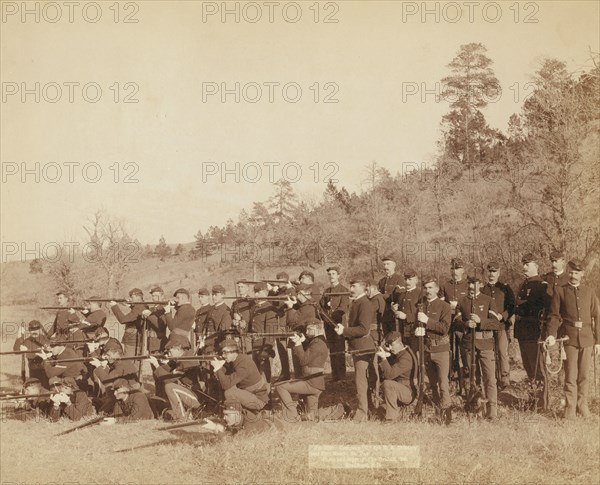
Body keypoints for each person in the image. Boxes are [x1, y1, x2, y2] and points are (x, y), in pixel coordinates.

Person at [545, 259, 600, 419]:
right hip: (569, 339)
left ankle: (583, 408)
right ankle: (569, 410)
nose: (573, 275)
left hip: (587, 339)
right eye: (571, 272)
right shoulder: (560, 291)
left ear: (582, 274)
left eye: (577, 272)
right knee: (570, 376)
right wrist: (551, 334)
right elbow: (554, 315)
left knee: (584, 376)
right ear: (568, 272)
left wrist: (598, 342)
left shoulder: (589, 292)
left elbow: (597, 316)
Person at [456, 276, 504, 419]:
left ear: (480, 284)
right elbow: (455, 322)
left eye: (475, 283)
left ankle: (492, 410)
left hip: (485, 344)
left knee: (489, 378)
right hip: (468, 344)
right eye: (470, 283)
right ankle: (473, 407)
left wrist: (480, 321)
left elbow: (496, 324)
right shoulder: (462, 301)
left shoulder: (488, 300)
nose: (472, 286)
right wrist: (465, 324)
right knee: (470, 376)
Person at [275, 320, 337, 422]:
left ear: (317, 329)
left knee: (280, 387)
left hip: (311, 383)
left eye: (309, 329)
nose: (306, 332)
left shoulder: (317, 344)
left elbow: (303, 360)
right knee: (311, 416)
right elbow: (311, 354)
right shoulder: (319, 341)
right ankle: (336, 410)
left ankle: (291, 416)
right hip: (316, 383)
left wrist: (298, 344)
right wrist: (303, 341)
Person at [334, 277, 377, 422]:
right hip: (359, 347)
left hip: (363, 348)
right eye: (350, 286)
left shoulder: (364, 303)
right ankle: (368, 410)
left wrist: (345, 331)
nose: (351, 289)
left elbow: (364, 329)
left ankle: (362, 414)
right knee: (362, 381)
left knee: (361, 382)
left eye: (354, 286)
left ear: (363, 288)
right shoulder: (357, 302)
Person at [416, 277, 453, 421]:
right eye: (425, 288)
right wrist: (417, 330)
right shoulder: (421, 306)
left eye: (431, 288)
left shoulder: (444, 306)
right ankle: (438, 411)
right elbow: (417, 324)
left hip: (441, 349)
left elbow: (444, 328)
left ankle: (447, 413)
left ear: (437, 289)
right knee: (433, 384)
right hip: (426, 349)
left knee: (443, 382)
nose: (428, 291)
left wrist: (427, 321)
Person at [150, 335, 207, 421]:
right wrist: (161, 363)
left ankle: (181, 417)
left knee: (169, 387)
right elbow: (163, 372)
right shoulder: (180, 358)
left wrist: (156, 365)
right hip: (187, 393)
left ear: (178, 348)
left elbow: (167, 379)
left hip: (195, 396)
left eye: (170, 350)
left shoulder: (187, 360)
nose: (169, 353)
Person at [211, 339, 269, 419]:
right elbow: (226, 378)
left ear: (233, 352)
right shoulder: (237, 359)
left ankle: (237, 421)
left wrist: (218, 368)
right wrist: (220, 368)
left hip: (258, 400)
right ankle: (242, 414)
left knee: (229, 392)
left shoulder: (243, 364)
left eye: (225, 352)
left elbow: (226, 385)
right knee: (229, 389)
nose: (223, 356)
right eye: (222, 353)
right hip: (249, 394)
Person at [481, 262, 515, 389]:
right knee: (489, 353)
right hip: (488, 328)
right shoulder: (482, 290)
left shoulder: (505, 288)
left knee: (502, 352)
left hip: (501, 326)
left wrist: (503, 316)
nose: (491, 274)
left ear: (499, 273)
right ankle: (492, 378)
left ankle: (505, 380)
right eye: (489, 271)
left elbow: (512, 306)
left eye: (494, 272)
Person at [514, 254, 547, 382]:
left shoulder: (540, 285)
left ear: (536, 266)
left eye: (527, 264)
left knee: (538, 368)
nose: (524, 267)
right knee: (528, 368)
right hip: (523, 331)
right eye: (523, 264)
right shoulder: (524, 284)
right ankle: (533, 398)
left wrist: (521, 304)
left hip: (533, 331)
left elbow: (533, 306)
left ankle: (541, 401)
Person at [441, 258, 469, 390]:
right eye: (452, 268)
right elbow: (441, 303)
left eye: (457, 268)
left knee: (464, 350)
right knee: (450, 350)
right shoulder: (445, 285)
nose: (455, 271)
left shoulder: (468, 284)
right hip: (449, 323)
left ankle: (467, 378)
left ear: (463, 270)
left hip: (462, 324)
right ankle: (451, 376)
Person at [376, 331, 415, 422]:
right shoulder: (402, 352)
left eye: (391, 345)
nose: (389, 348)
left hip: (409, 392)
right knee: (380, 410)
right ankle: (396, 410)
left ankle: (391, 417)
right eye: (387, 345)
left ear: (399, 344)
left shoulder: (405, 358)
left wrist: (384, 358)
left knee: (387, 384)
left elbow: (389, 375)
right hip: (402, 389)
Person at [320, 266, 350, 382]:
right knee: (332, 349)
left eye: (333, 274)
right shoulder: (326, 291)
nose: (331, 276)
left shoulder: (343, 290)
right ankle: (335, 375)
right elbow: (321, 307)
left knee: (340, 349)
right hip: (328, 325)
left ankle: (342, 376)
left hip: (338, 325)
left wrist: (333, 319)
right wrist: (325, 318)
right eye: (329, 274)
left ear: (338, 275)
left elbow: (343, 308)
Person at [110, 288, 148, 357]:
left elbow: (123, 320)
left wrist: (114, 306)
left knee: (129, 362)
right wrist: (131, 306)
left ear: (137, 296)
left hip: (132, 341)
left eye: (132, 297)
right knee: (135, 363)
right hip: (136, 340)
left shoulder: (138, 307)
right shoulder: (143, 305)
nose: (130, 299)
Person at [392, 268, 422, 354]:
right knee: (406, 353)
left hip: (415, 329)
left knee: (415, 354)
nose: (407, 282)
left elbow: (424, 313)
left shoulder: (420, 293)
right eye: (405, 279)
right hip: (403, 330)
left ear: (416, 280)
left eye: (410, 279)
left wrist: (406, 316)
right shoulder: (402, 295)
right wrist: (394, 309)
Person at [13, 320, 50, 387]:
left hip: (45, 371)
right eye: (32, 329)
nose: (34, 332)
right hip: (33, 372)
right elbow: (16, 351)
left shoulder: (46, 340)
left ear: (40, 329)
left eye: (36, 329)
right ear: (29, 331)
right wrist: (19, 336)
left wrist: (29, 351)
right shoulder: (27, 341)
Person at [378, 256, 404, 335]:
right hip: (384, 315)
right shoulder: (381, 281)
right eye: (384, 264)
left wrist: (381, 296)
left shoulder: (400, 279)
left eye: (388, 264)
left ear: (394, 265)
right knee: (386, 339)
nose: (385, 267)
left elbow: (399, 296)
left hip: (395, 316)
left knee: (396, 338)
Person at [141, 286, 168, 353]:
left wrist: (149, 316)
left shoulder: (164, 308)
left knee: (159, 362)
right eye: (153, 296)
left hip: (159, 342)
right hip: (151, 342)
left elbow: (161, 326)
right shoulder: (153, 308)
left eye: (156, 296)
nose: (154, 298)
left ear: (162, 296)